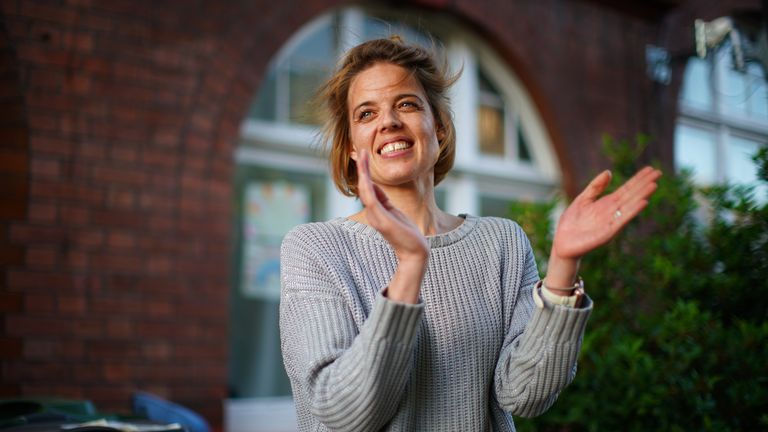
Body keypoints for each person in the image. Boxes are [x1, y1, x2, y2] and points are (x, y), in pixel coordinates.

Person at [279, 36, 661, 431]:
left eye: (407, 104)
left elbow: (525, 395)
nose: (388, 122)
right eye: (365, 114)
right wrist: (410, 267)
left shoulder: (502, 242)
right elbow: (345, 414)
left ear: (440, 127)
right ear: (353, 148)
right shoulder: (316, 249)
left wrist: (563, 266)